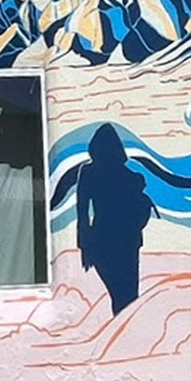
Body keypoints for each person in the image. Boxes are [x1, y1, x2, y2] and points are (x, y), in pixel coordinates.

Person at [75, 124, 154, 315]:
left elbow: (82, 210)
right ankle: (124, 336)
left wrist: (84, 245)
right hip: (127, 239)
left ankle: (122, 336)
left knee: (120, 297)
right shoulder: (129, 176)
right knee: (127, 297)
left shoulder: (89, 173)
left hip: (103, 239)